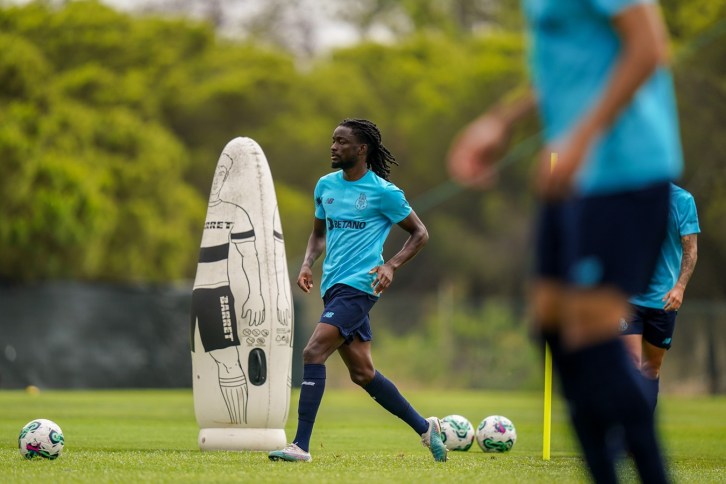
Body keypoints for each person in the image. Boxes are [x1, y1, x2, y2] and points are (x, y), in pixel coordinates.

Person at [447, 1, 682, 483]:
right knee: (553, 329)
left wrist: (581, 139)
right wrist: (503, 121)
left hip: (624, 172)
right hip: (575, 176)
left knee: (592, 340)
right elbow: (574, 67)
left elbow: (649, 48)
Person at [269, 118, 447, 463]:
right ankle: (426, 428)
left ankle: (300, 446)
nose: (333, 147)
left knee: (313, 351)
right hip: (332, 285)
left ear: (361, 149)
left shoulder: (383, 192)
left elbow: (420, 233)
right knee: (363, 373)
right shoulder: (325, 186)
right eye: (333, 141)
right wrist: (307, 263)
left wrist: (391, 265)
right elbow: (318, 234)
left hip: (361, 286)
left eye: (341, 142)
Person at [621, 183, 699, 412]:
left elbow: (691, 250)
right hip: (629, 297)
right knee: (631, 364)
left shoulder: (683, 200)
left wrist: (680, 287)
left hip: (663, 302)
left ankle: (645, 423)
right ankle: (629, 426)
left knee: (651, 368)